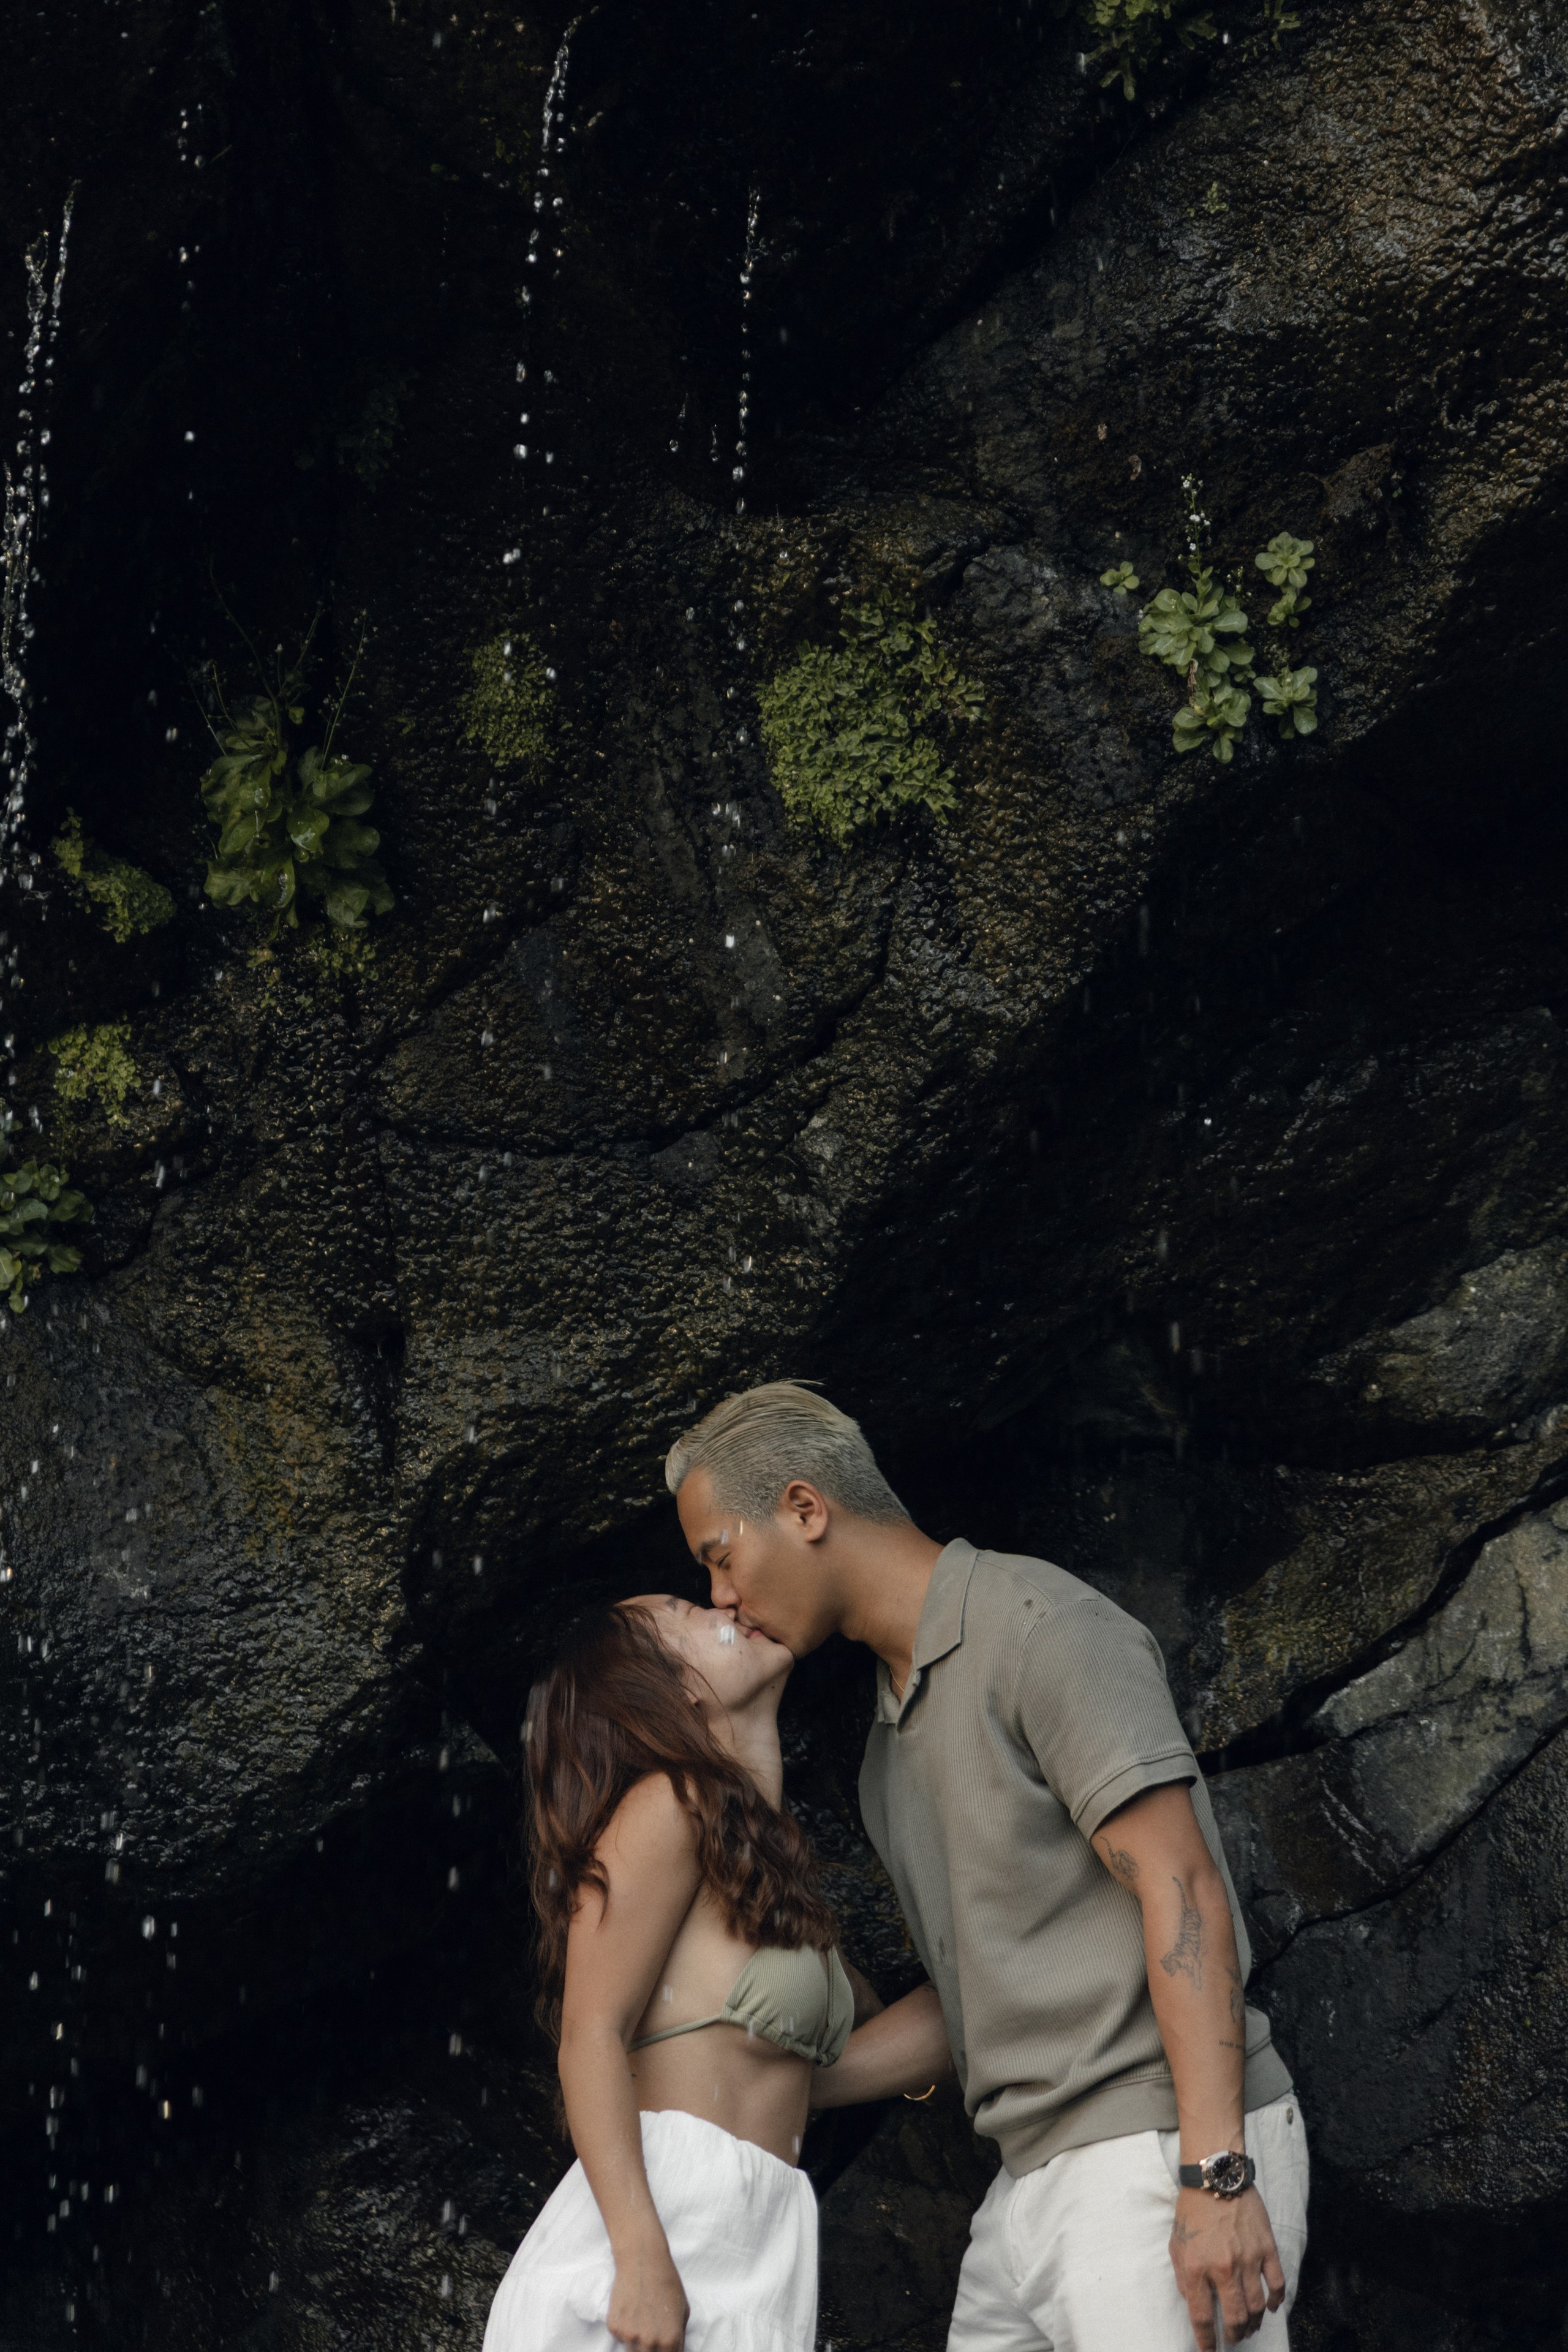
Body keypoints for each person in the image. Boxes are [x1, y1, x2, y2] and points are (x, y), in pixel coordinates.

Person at [665, 1382, 1311, 2352]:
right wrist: (757, 2083)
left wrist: (1217, 2172)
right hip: (1028, 2192)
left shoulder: (1039, 1628)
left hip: (1155, 2152)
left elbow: (1184, 1891)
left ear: (805, 1509)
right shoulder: (886, 1753)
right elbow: (976, 1994)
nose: (722, 1597)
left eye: (722, 1557)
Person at [483, 1593, 952, 2352]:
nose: (725, 1602)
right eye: (687, 1611)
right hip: (651, 2248)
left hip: (759, 2243)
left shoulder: (766, 1873)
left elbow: (912, 2035)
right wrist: (638, 2258)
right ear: (676, 1688)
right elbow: (590, 2034)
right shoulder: (669, 1805)